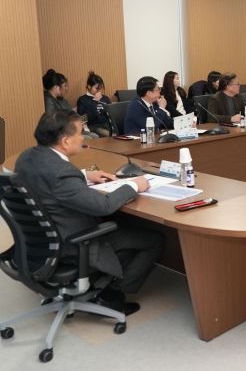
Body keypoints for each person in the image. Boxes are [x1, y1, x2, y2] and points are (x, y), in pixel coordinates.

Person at [15, 110, 164, 315]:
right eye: (80, 133)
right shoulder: (61, 173)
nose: (84, 137)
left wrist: (84, 175)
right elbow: (103, 206)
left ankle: (103, 277)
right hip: (72, 244)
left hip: (39, 242)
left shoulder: (27, 157)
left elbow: (48, 181)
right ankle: (111, 296)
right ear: (66, 141)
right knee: (154, 240)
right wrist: (134, 185)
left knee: (123, 225)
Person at [77, 71, 112, 137]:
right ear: (89, 86)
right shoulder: (82, 100)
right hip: (94, 126)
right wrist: (95, 101)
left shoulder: (105, 98)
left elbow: (111, 113)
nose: (99, 91)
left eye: (101, 88)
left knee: (121, 132)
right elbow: (83, 119)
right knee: (110, 135)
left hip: (107, 125)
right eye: (97, 88)